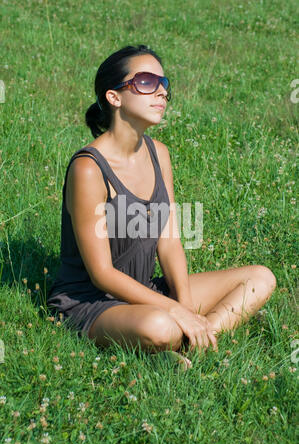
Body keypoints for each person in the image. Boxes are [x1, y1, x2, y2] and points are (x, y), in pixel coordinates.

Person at [47, 44, 276, 368]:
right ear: (114, 97)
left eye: (163, 84)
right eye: (145, 82)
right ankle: (176, 337)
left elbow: (169, 243)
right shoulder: (89, 168)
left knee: (260, 278)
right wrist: (177, 313)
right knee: (161, 326)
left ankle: (196, 339)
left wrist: (183, 304)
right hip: (91, 302)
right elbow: (101, 274)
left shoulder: (160, 155)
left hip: (144, 289)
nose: (161, 93)